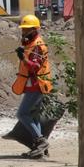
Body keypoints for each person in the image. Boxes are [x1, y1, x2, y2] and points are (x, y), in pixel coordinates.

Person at [11, 14, 52, 159]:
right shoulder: (30, 44)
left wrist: (23, 58)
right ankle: (39, 150)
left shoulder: (38, 45)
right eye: (23, 29)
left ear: (34, 29)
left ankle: (41, 142)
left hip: (37, 85)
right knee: (33, 117)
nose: (23, 32)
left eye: (27, 29)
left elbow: (35, 67)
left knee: (22, 114)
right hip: (32, 85)